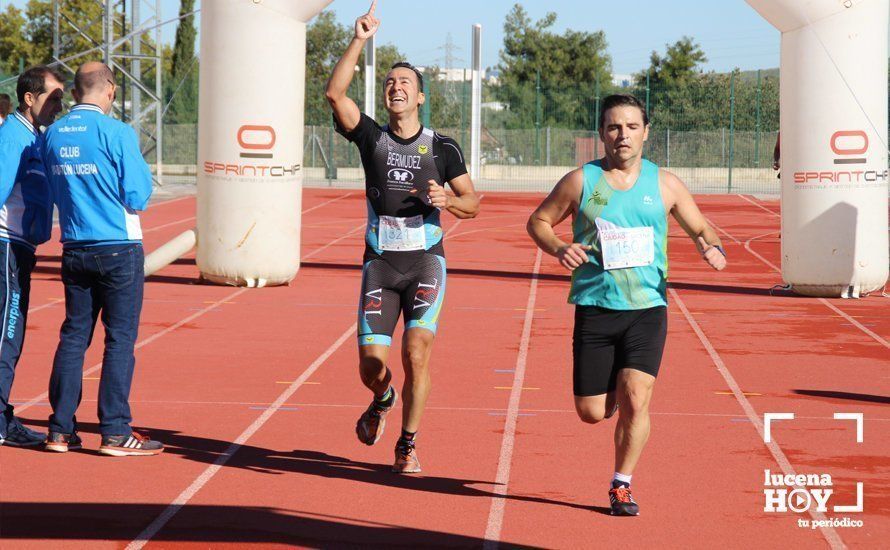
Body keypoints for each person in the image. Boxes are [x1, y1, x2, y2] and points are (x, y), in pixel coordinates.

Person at [527, 94, 726, 515]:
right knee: (591, 411)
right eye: (614, 127)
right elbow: (538, 221)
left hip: (647, 309)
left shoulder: (665, 184)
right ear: (602, 134)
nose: (623, 135)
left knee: (638, 394)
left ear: (646, 132)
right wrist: (560, 248)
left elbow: (701, 227)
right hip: (596, 308)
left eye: (632, 127)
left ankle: (622, 484)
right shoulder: (582, 182)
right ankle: (608, 391)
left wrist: (711, 248)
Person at [325, 1, 479, 473]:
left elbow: (472, 204)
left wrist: (446, 201)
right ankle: (384, 398)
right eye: (390, 83)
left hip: (425, 262)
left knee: (416, 352)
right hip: (380, 264)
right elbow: (335, 94)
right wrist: (359, 39)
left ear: (420, 98)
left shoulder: (443, 147)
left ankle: (408, 443)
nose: (395, 87)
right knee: (371, 366)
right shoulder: (371, 138)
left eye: (404, 84)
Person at [42, 62, 162, 456]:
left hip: (74, 246)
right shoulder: (116, 131)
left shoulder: (54, 133)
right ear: (109, 89)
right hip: (117, 248)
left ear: (76, 91)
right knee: (119, 340)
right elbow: (138, 195)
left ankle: (60, 430)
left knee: (74, 337)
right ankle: (113, 431)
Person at [0, 67, 64, 447]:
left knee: (13, 336)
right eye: (53, 96)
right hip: (6, 245)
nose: (60, 104)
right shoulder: (14, 137)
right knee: (6, 336)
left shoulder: (35, 138)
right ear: (30, 98)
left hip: (21, 249)